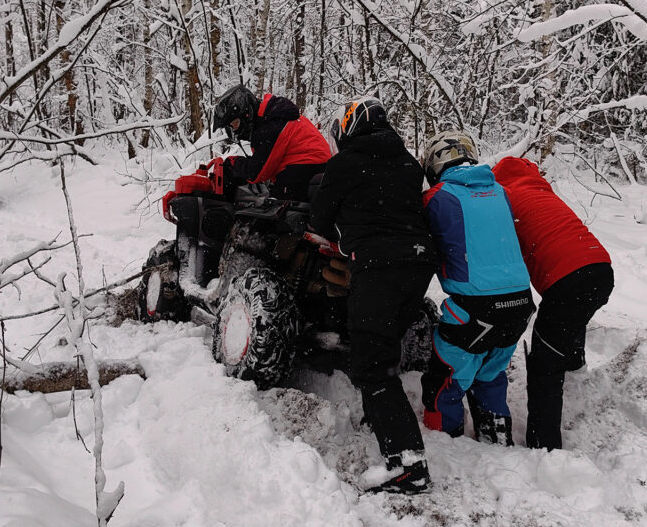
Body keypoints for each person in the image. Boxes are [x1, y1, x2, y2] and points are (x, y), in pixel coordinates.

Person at [310, 97, 437, 495]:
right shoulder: (408, 163)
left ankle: (408, 464)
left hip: (378, 265)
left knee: (372, 363)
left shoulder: (343, 164)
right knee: (384, 347)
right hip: (418, 264)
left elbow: (318, 220)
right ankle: (381, 414)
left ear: (348, 128)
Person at [418, 131, 534, 446]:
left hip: (474, 309)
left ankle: (447, 440)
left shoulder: (436, 198)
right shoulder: (500, 192)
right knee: (491, 373)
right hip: (521, 304)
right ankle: (495, 433)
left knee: (446, 378)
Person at [491, 155, 614, 451]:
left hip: (566, 279)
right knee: (572, 315)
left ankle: (544, 444)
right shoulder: (540, 190)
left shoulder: (504, 197)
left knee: (544, 363)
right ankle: (574, 364)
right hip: (600, 267)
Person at [211, 84, 330, 200]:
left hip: (305, 170)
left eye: (236, 123)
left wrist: (233, 163)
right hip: (316, 168)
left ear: (247, 114)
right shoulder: (274, 116)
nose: (235, 130)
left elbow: (256, 172)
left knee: (273, 211)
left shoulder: (271, 126)